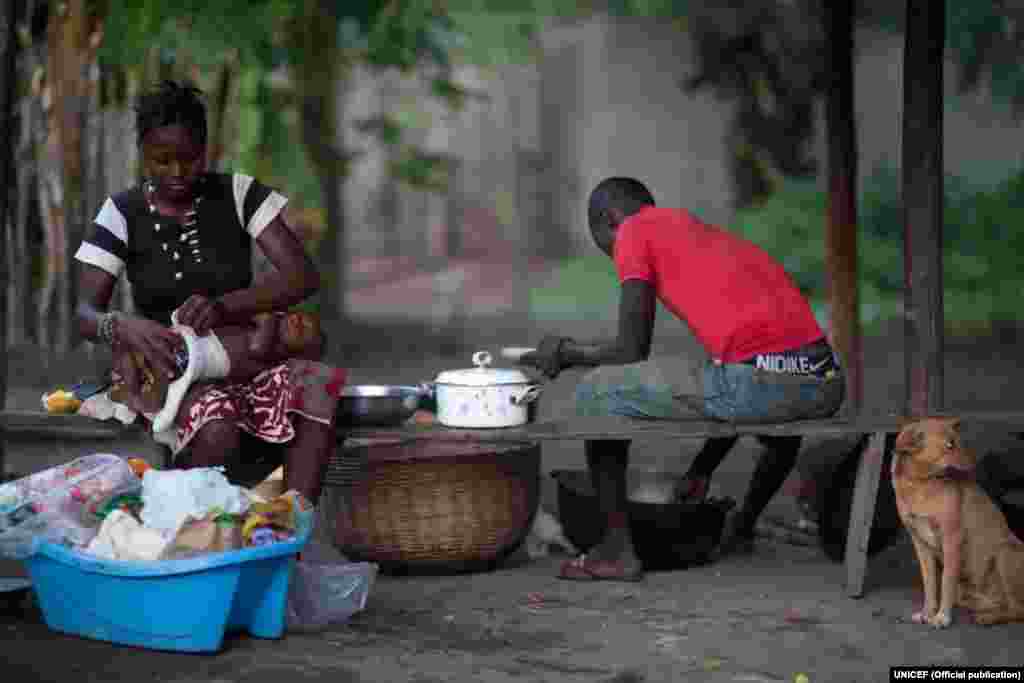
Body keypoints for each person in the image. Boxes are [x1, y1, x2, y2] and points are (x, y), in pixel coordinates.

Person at [520, 177, 845, 582]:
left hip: (760, 383)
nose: (612, 254)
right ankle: (741, 527)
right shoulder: (707, 237)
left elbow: (630, 352)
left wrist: (566, 353)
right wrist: (702, 468)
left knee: (596, 391)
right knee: (727, 378)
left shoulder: (634, 230)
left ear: (608, 220)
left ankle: (616, 549)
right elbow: (745, 373)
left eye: (602, 241)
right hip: (822, 382)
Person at [74, 80, 347, 504]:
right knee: (216, 421)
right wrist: (123, 326)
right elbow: (85, 314)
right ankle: (196, 532)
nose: (178, 172)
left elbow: (302, 275)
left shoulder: (238, 195)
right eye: (162, 160)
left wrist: (224, 306)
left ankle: (292, 526)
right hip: (170, 372)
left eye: (190, 158)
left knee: (316, 381)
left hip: (246, 358)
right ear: (143, 154)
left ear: (206, 148)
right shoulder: (121, 213)